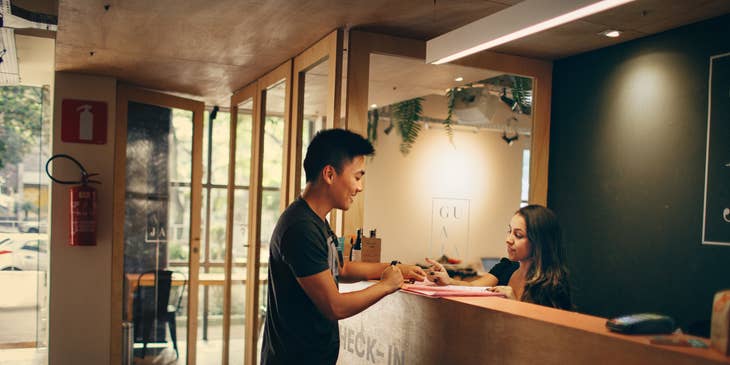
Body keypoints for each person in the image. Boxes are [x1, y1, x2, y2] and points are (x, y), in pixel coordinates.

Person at [261, 128, 426, 365]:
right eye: (357, 177)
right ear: (329, 174)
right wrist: (387, 285)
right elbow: (334, 306)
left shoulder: (316, 221)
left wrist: (395, 267)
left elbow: (341, 268)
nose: (360, 187)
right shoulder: (300, 228)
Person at [426, 205, 571, 310]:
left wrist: (514, 303)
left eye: (518, 235)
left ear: (539, 242)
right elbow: (472, 288)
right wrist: (448, 281)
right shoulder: (506, 267)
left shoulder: (552, 284)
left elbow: (545, 334)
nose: (509, 239)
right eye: (509, 231)